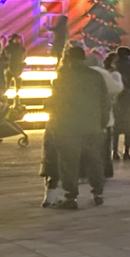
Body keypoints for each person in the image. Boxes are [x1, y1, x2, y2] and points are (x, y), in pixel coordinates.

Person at [46, 46, 109, 209]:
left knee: (69, 163)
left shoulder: (62, 78)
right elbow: (105, 102)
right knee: (95, 161)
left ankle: (71, 197)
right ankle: (98, 193)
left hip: (68, 128)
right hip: (92, 127)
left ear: (68, 59)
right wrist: (103, 123)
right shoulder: (96, 76)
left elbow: (55, 103)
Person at [85, 53, 120, 179]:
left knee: (86, 147)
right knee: (104, 147)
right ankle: (105, 171)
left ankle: (85, 172)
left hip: (84, 116)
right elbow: (117, 88)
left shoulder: (79, 73)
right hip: (103, 116)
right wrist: (116, 75)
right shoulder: (103, 73)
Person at [112, 47, 130, 160]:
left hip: (117, 97)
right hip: (129, 98)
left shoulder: (114, 65)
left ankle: (114, 151)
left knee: (116, 126)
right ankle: (126, 151)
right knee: (128, 125)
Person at [3, 33, 26, 98]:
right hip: (10, 69)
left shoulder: (21, 49)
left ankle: (16, 99)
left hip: (17, 68)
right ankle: (7, 98)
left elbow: (24, 57)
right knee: (7, 85)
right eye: (16, 39)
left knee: (17, 86)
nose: (17, 40)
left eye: (18, 39)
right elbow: (4, 57)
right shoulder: (8, 49)